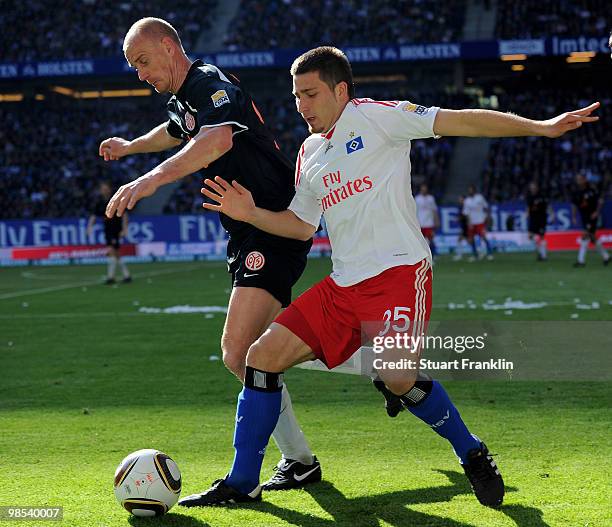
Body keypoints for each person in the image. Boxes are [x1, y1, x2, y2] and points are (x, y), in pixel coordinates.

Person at [178, 45, 599, 508]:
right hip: (343, 284)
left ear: (341, 90)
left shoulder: (380, 118)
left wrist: (540, 127)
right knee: (259, 358)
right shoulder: (310, 152)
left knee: (399, 376)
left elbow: (462, 120)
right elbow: (301, 224)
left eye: (311, 94)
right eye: (297, 96)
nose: (302, 105)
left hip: (399, 272)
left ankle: (472, 452)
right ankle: (242, 483)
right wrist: (252, 212)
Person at [101, 17, 326, 490]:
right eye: (133, 67)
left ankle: (284, 464)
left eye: (143, 61)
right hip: (247, 228)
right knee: (252, 353)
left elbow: (217, 138)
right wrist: (131, 148)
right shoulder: (184, 99)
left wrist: (147, 180)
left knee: (237, 351)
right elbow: (176, 130)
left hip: (272, 224)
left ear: (168, 47)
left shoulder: (209, 82)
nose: (140, 74)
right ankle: (309, 449)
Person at [87, 182, 131, 284]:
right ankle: (126, 275)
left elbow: (124, 215)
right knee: (116, 253)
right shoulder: (100, 203)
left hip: (116, 229)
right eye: (102, 189)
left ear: (109, 189)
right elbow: (94, 216)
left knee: (111, 251)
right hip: (107, 230)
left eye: (106, 188)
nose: (104, 190)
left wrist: (124, 229)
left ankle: (111, 277)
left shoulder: (116, 200)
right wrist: (89, 227)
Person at [571, 173, 610, 267]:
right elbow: (574, 205)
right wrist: (574, 216)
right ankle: (606, 256)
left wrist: (597, 212)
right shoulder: (577, 192)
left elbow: (600, 201)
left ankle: (581, 261)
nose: (578, 181)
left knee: (585, 236)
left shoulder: (591, 190)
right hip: (584, 217)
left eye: (580, 179)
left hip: (592, 216)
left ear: (584, 180)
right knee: (592, 238)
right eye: (577, 179)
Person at [463, 185, 493, 261]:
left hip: (480, 221)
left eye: (471, 190)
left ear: (474, 190)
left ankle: (489, 253)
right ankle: (475, 255)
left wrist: (488, 216)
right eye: (469, 190)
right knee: (471, 239)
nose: (470, 191)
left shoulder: (480, 197)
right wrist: (469, 223)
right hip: (472, 222)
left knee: (483, 237)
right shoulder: (467, 201)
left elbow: (486, 207)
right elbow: (466, 213)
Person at [526, 182, 549, 261]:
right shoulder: (529, 197)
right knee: (530, 236)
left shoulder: (541, 196)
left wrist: (552, 214)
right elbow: (528, 207)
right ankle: (540, 252)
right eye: (531, 188)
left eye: (534, 187)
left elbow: (547, 206)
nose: (532, 189)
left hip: (541, 218)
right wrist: (527, 214)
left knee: (541, 236)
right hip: (533, 218)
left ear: (537, 188)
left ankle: (544, 255)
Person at [414, 184, 439, 258]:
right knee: (421, 241)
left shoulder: (431, 198)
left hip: (429, 223)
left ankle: (433, 255)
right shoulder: (417, 199)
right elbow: (414, 211)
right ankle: (423, 257)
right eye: (422, 189)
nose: (424, 190)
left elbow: (434, 210)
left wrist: (436, 220)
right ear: (420, 190)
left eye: (425, 189)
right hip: (420, 223)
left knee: (431, 239)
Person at [452, 195, 470, 261]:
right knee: (468, 241)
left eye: (461, 199)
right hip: (464, 226)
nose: (460, 201)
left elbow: (465, 216)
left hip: (466, 226)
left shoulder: (465, 207)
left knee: (462, 240)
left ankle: (459, 255)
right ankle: (478, 252)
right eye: (459, 199)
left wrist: (458, 219)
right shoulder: (461, 207)